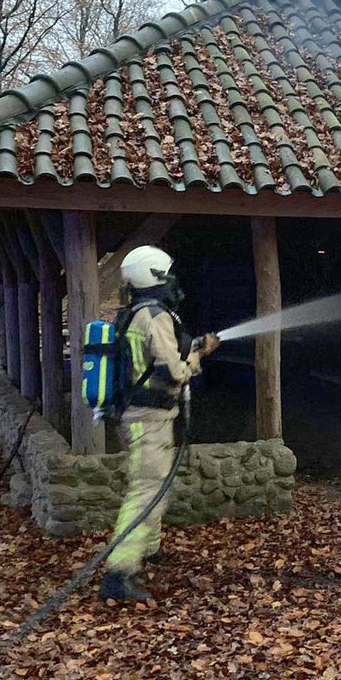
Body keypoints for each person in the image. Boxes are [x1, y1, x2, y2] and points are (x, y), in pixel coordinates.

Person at [99, 246, 219, 603]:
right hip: (147, 420)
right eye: (165, 274)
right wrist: (200, 355)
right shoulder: (155, 316)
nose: (172, 281)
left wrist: (189, 347)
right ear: (154, 277)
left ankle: (148, 550)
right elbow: (172, 372)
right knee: (145, 492)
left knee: (156, 487)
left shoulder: (137, 313)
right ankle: (119, 574)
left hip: (142, 417)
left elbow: (154, 358)